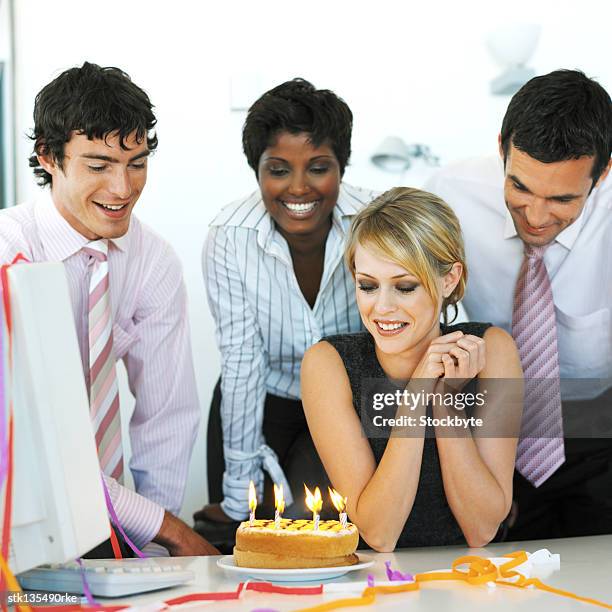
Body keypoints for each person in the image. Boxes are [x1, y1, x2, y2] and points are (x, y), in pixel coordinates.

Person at [0, 62, 217, 555]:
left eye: (136, 163)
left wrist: (155, 552)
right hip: (13, 509)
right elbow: (40, 438)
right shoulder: (9, 253)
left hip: (109, 520)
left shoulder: (153, 260)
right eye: (98, 166)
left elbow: (166, 414)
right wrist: (167, 528)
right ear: (48, 158)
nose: (122, 189)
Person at [425, 69, 612, 539]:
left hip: (600, 426)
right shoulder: (450, 195)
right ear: (502, 147)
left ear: (603, 173)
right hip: (491, 421)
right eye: (521, 188)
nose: (536, 215)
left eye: (563, 199)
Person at [195, 79, 377, 538]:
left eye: (318, 167)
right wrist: (238, 484)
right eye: (278, 169)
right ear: (256, 170)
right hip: (262, 395)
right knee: (245, 531)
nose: (298, 188)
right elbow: (241, 360)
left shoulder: (375, 220)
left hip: (347, 402)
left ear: (342, 167)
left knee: (311, 527)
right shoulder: (229, 237)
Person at [301, 187, 523, 550]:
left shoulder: (492, 350)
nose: (382, 307)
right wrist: (418, 391)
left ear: (449, 279)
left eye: (404, 287)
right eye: (368, 286)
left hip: (468, 582)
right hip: (367, 587)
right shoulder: (328, 364)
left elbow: (482, 529)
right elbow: (379, 533)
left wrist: (446, 400)